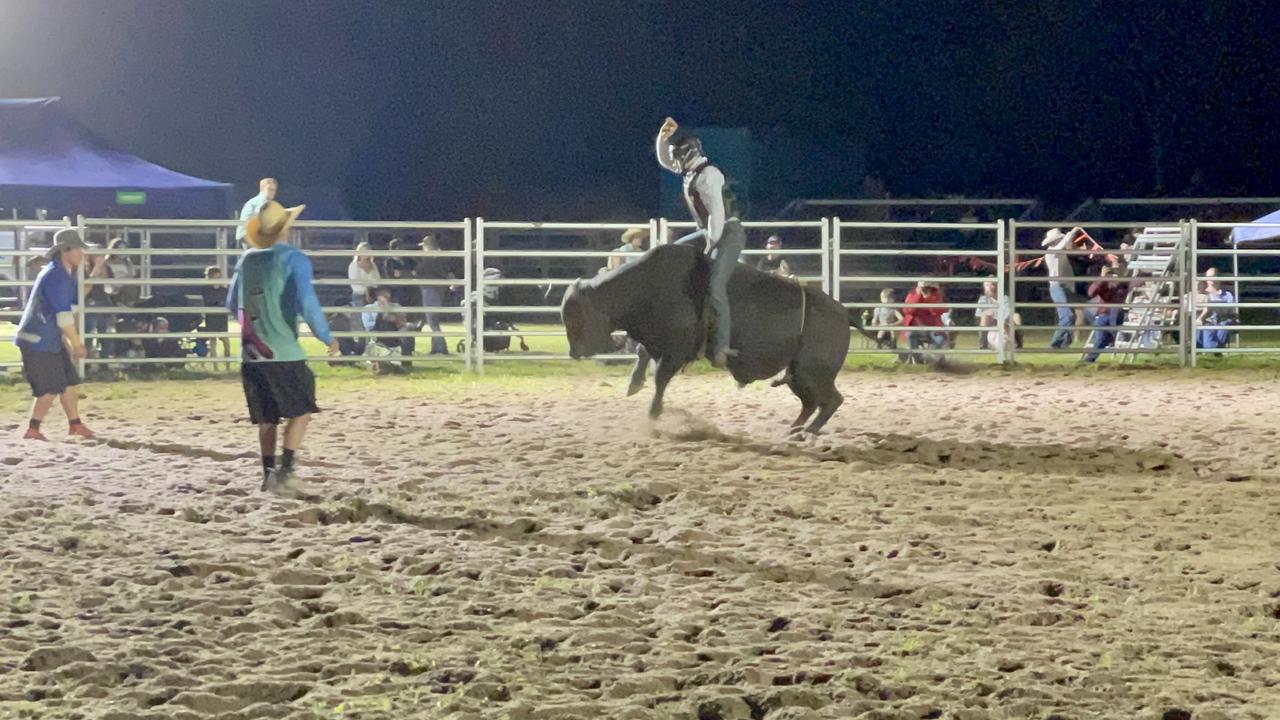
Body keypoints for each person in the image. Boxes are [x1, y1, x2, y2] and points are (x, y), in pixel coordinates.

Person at [226, 200, 338, 497]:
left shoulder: (246, 260)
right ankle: (286, 471)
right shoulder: (294, 259)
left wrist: (254, 325)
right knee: (301, 410)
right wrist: (326, 336)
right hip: (284, 351)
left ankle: (267, 474)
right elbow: (307, 302)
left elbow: (231, 304)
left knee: (267, 418)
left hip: (251, 352)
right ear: (286, 227)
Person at [655, 116, 746, 368]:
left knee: (716, 286)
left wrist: (709, 248)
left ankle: (722, 345)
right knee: (672, 256)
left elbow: (718, 215)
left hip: (726, 233)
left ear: (688, 155)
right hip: (710, 232)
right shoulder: (693, 171)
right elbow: (665, 160)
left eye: (678, 156)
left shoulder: (708, 175)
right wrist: (662, 138)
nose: (676, 161)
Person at [14, 228, 95, 441]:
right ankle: (33, 429)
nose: (81, 254)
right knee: (50, 388)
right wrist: (76, 344)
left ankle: (75, 424)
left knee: (68, 382)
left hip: (47, 339)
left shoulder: (59, 272)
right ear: (66, 251)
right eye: (78, 249)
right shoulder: (57, 275)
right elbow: (64, 317)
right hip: (39, 340)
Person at [1042, 227, 1087, 349]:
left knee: (1071, 315)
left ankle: (1064, 343)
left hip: (1064, 286)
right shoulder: (1051, 252)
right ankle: (1055, 343)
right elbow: (1062, 246)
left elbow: (1069, 250)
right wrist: (1072, 232)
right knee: (1067, 316)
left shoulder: (1060, 252)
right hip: (1057, 286)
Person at [415, 234, 454, 355]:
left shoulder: (430, 259)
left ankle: (442, 348)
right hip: (437, 291)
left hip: (430, 290)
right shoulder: (440, 258)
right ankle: (435, 348)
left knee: (432, 321)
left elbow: (418, 270)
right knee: (433, 320)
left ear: (428, 247)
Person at [1083, 266, 1128, 363]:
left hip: (1115, 315)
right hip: (1103, 315)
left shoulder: (1123, 284)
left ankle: (1090, 358)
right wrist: (1102, 278)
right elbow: (1091, 293)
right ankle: (1090, 359)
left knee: (1103, 337)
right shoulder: (1103, 284)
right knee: (1101, 339)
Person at [902, 280, 946, 363]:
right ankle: (917, 359)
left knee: (939, 339)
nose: (926, 290)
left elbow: (938, 311)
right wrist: (918, 296)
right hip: (916, 326)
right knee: (910, 335)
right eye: (924, 288)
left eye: (928, 287)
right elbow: (907, 310)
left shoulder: (936, 295)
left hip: (933, 327)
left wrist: (928, 299)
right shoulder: (913, 294)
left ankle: (934, 359)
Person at [200, 267, 232, 370]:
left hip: (222, 318)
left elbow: (227, 302)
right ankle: (215, 367)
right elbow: (209, 302)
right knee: (213, 342)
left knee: (226, 343)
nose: (217, 279)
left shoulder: (224, 290)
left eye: (219, 277)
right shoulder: (206, 290)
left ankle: (228, 366)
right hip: (212, 317)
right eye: (215, 277)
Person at [237, 178, 278, 247]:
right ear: (262, 189)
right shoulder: (259, 202)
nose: (272, 192)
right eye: (270, 190)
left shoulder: (267, 203)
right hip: (248, 234)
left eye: (274, 190)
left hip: (254, 234)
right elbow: (259, 217)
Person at [1197, 279, 1236, 350]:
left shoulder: (1227, 295)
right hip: (1209, 321)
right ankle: (1216, 348)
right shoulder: (1205, 296)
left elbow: (1232, 311)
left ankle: (1217, 348)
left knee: (1224, 323)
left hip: (1223, 320)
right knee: (1204, 327)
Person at [348, 241, 381, 307]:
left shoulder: (373, 265)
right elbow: (355, 283)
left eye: (367, 250)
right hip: (359, 296)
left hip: (373, 294)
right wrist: (366, 291)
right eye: (363, 250)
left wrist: (369, 289)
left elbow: (378, 280)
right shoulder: (354, 265)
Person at [975, 280, 999, 351]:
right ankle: (983, 345)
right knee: (985, 316)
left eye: (992, 285)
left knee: (1016, 316)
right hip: (990, 322)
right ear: (984, 288)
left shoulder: (1004, 298)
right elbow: (978, 314)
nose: (990, 287)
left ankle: (1018, 344)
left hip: (1003, 319)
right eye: (987, 285)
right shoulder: (983, 299)